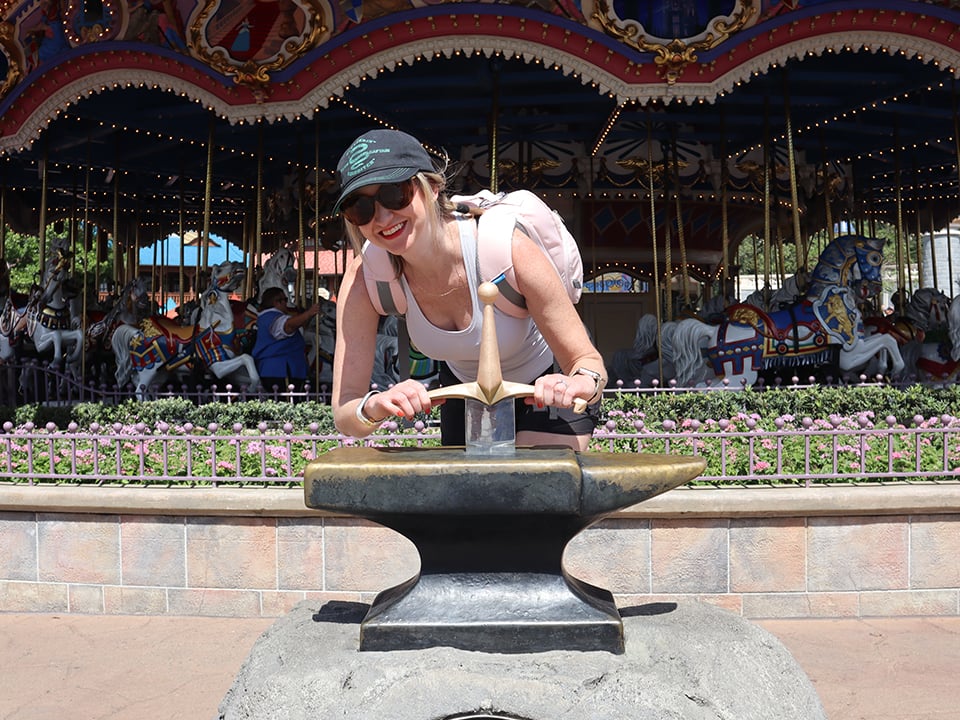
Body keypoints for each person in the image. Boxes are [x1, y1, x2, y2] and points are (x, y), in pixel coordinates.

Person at [330, 129, 606, 449]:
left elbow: (587, 362)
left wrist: (579, 384)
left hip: (546, 383)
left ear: (431, 188)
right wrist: (374, 406)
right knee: (467, 494)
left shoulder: (505, 250)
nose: (382, 217)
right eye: (359, 208)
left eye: (395, 194)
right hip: (465, 388)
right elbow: (346, 411)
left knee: (533, 487)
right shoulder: (367, 276)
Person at [253, 286, 322, 392]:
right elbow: (288, 326)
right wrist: (309, 313)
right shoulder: (273, 317)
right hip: (282, 369)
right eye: (285, 300)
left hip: (274, 368)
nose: (287, 303)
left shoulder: (264, 318)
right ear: (276, 302)